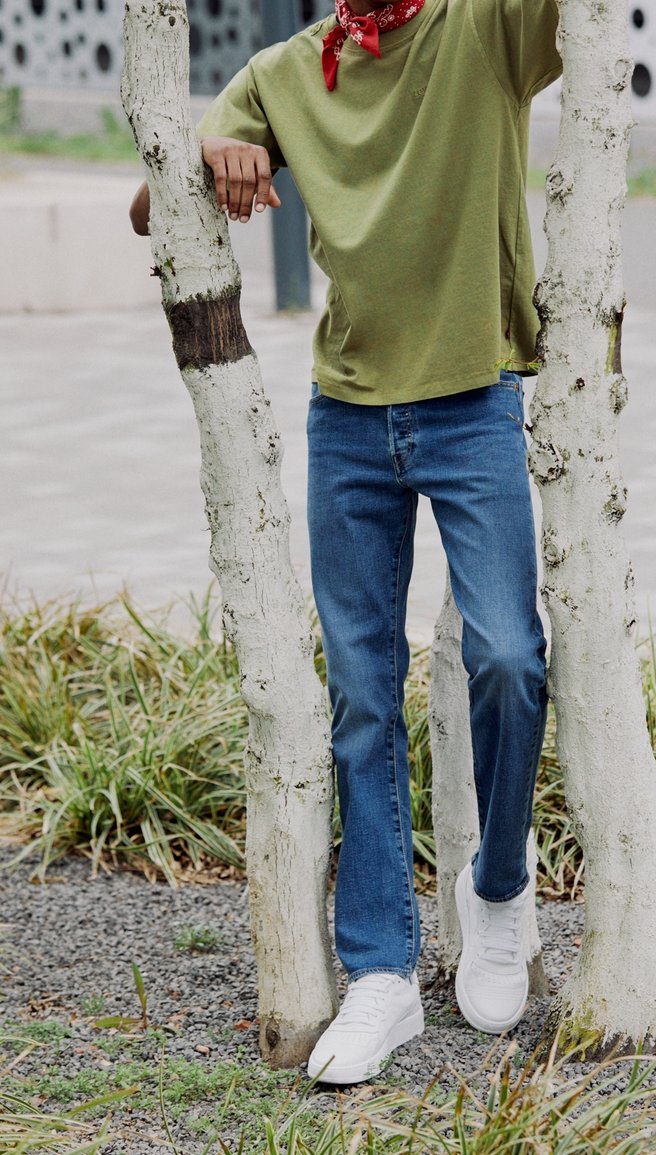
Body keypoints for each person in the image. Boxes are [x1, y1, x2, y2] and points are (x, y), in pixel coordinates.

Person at [130, 0, 561, 1086]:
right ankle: (380, 974)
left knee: (508, 655)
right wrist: (214, 150)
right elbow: (152, 207)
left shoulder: (482, 29)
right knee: (362, 691)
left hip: (473, 405)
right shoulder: (284, 68)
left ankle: (497, 887)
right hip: (349, 416)